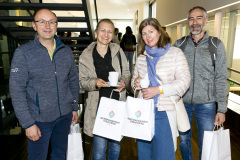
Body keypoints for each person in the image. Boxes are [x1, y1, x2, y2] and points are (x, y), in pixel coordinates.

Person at [9, 9, 79, 160]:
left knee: (60, 155)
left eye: (51, 22)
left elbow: (73, 80)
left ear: (56, 26)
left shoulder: (66, 51)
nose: (47, 25)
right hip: (39, 120)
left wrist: (74, 107)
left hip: (65, 117)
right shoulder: (23, 53)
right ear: (34, 26)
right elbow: (16, 90)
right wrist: (28, 124)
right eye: (42, 21)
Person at [173, 6, 227, 160]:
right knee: (184, 140)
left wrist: (221, 109)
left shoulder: (216, 45)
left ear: (206, 20)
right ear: (187, 22)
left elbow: (221, 77)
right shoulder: (179, 44)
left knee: (207, 142)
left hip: (207, 104)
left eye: (198, 18)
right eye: (191, 18)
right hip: (182, 102)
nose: (194, 22)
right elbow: (170, 71)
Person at [132, 18, 191, 160]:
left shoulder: (175, 53)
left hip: (165, 111)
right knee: (144, 155)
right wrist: (136, 82)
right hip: (143, 112)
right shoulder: (141, 57)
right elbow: (134, 82)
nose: (148, 36)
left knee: (165, 155)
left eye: (151, 31)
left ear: (159, 32)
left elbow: (184, 81)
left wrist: (158, 90)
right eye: (144, 33)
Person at [79, 19, 130, 160]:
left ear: (113, 34)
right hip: (98, 106)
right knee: (100, 149)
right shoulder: (86, 55)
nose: (106, 34)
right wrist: (94, 82)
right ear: (96, 32)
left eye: (109, 31)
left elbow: (126, 72)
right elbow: (82, 82)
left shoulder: (118, 51)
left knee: (115, 145)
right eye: (103, 30)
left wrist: (123, 82)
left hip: (117, 104)